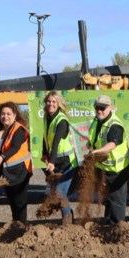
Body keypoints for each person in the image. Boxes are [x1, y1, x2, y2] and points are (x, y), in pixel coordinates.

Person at [0, 102, 32, 223]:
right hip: (7, 171)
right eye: (2, 114)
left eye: (8, 114)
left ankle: (22, 226)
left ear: (15, 115)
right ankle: (15, 223)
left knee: (19, 200)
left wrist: (1, 157)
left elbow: (15, 147)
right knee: (11, 199)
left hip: (21, 169)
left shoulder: (19, 129)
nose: (5, 116)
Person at [87, 94, 129, 225]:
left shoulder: (115, 125)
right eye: (97, 107)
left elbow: (112, 144)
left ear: (110, 107)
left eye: (102, 108)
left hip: (117, 169)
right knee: (108, 197)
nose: (99, 110)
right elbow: (93, 139)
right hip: (103, 167)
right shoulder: (96, 121)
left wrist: (97, 152)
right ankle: (108, 222)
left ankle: (118, 226)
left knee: (117, 199)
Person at [41, 90, 77, 225]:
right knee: (58, 192)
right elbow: (45, 137)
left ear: (59, 104)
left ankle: (67, 221)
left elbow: (56, 141)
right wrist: (44, 153)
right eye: (48, 101)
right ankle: (68, 216)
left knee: (60, 192)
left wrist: (51, 161)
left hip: (67, 162)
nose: (50, 104)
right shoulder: (47, 117)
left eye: (54, 102)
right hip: (56, 161)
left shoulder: (62, 121)